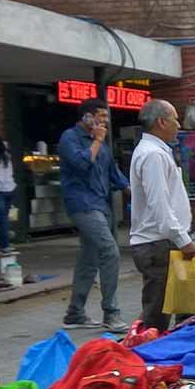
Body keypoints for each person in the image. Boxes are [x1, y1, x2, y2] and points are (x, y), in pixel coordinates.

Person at [128, 99, 195, 333]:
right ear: (161, 122)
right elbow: (160, 204)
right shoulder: (152, 155)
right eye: (175, 119)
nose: (179, 125)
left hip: (164, 242)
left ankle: (175, 355)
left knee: (188, 305)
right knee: (157, 316)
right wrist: (183, 240)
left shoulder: (156, 152)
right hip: (158, 244)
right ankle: (148, 360)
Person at [59, 98, 129, 332]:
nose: (106, 121)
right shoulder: (69, 138)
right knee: (110, 251)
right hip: (82, 204)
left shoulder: (104, 147)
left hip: (100, 205)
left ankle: (75, 313)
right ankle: (111, 312)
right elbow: (81, 164)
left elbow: (116, 177)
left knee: (89, 259)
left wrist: (140, 196)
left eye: (107, 117)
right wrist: (98, 140)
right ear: (87, 117)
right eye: (102, 116)